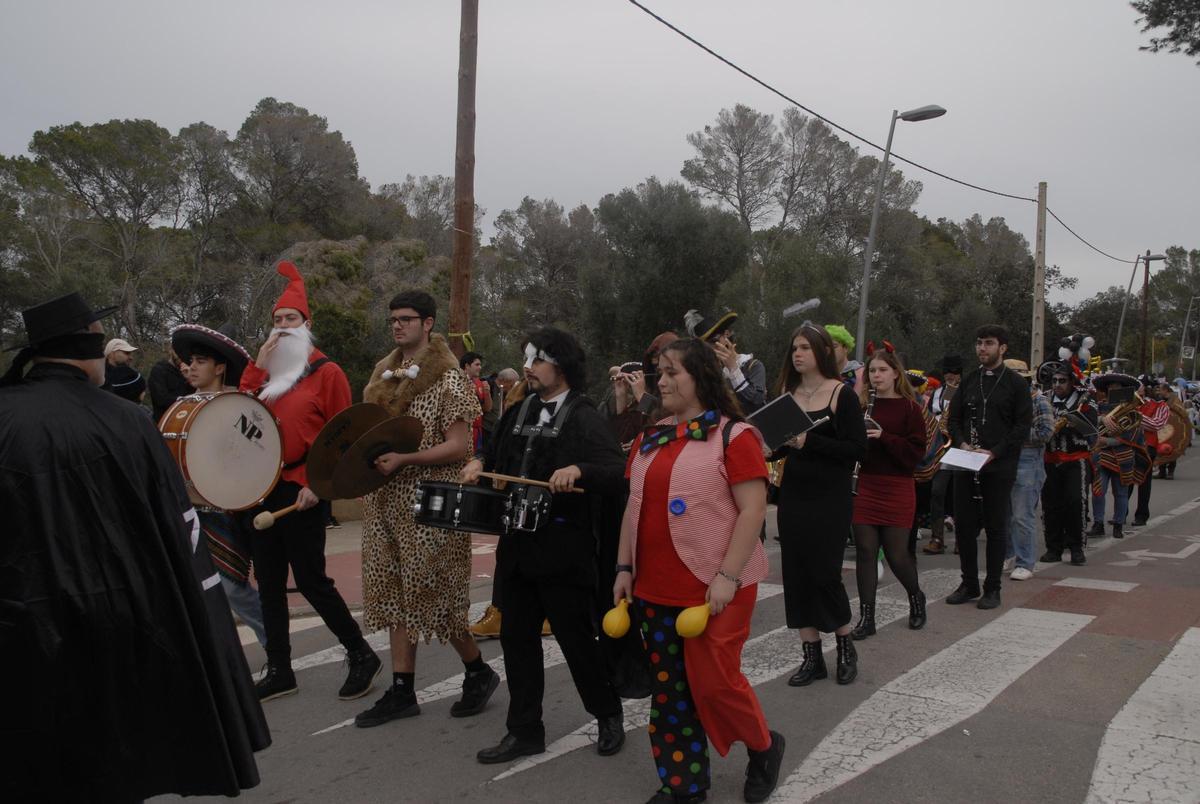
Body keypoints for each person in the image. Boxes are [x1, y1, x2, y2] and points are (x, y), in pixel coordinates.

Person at [0, 292, 269, 799]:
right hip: (123, 622)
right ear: (90, 346)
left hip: (27, 630)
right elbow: (178, 534)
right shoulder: (127, 421)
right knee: (120, 754)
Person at [614, 337, 784, 804]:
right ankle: (684, 785)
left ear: (701, 378)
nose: (662, 382)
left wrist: (727, 576)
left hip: (718, 587)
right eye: (660, 373)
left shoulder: (736, 436)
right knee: (669, 693)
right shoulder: (650, 436)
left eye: (673, 373)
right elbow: (633, 507)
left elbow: (753, 510)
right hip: (654, 586)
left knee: (715, 684)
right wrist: (624, 566)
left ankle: (764, 746)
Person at [463, 327, 626, 764]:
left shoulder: (584, 416)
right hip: (517, 548)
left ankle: (607, 713)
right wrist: (479, 462)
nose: (528, 368)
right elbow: (495, 452)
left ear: (562, 366)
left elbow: (616, 471)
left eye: (537, 361)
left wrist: (579, 470)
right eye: (528, 360)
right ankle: (524, 731)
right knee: (516, 642)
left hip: (563, 551)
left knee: (577, 640)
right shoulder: (521, 409)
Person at [353, 290, 498, 728]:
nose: (398, 326)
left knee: (432, 593)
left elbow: (459, 446)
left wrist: (405, 459)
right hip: (384, 499)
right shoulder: (383, 375)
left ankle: (477, 670)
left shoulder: (448, 378)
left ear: (428, 323)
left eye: (407, 319)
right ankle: (404, 690)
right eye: (394, 319)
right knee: (396, 593)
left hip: (431, 501)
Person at [239, 261, 380, 701]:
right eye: (278, 320)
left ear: (307, 325)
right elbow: (241, 417)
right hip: (263, 487)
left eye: (291, 319)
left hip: (305, 487)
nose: (283, 327)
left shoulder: (327, 373)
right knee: (268, 582)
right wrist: (256, 368)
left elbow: (343, 437)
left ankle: (360, 653)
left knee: (311, 580)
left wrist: (319, 485)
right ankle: (280, 668)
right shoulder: (265, 374)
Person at [773, 322, 867, 687]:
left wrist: (807, 442)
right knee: (796, 573)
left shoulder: (842, 394)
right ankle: (811, 656)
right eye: (794, 348)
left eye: (805, 348)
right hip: (794, 495)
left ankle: (845, 647)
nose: (797, 354)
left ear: (822, 352)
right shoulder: (788, 394)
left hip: (830, 497)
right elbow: (781, 445)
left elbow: (856, 450)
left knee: (825, 573)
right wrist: (769, 447)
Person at [172, 322, 268, 646]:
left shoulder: (237, 405)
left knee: (232, 588)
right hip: (191, 508)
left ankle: (274, 647)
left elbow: (257, 452)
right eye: (190, 361)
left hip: (229, 508)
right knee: (200, 589)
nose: (191, 367)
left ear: (219, 367)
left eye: (200, 361)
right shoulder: (183, 406)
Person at [945, 325, 1032, 610]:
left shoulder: (1016, 384)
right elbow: (953, 420)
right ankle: (969, 583)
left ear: (1002, 348)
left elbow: (1022, 426)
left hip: (999, 465)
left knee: (996, 527)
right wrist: (963, 443)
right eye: (979, 343)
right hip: (967, 462)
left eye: (989, 343)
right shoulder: (970, 380)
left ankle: (992, 587)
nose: (982, 348)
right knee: (964, 526)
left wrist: (994, 452)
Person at [849, 347, 928, 640]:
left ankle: (916, 596)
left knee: (896, 555)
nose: (876, 375)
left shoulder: (910, 408)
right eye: (872, 371)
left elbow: (915, 453)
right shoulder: (861, 406)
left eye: (882, 370)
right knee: (866, 551)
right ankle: (866, 617)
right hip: (866, 485)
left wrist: (884, 437)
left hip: (897, 486)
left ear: (896, 373)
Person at [1040, 361, 1098, 568]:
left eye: (1062, 381)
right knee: (1050, 505)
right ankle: (1053, 548)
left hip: (1076, 459)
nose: (1057, 384)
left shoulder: (1085, 399)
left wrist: (1072, 424)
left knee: (1075, 502)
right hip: (1050, 460)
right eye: (1054, 380)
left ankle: (1076, 548)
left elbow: (1092, 426)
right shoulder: (1044, 398)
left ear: (1072, 382)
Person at [1002, 360, 1055, 573]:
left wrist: (1014, 433)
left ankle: (1025, 562)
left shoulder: (1039, 400)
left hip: (1027, 458)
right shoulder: (1004, 400)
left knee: (1022, 515)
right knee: (1004, 514)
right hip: (1004, 456)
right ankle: (1008, 555)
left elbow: (1046, 432)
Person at [1089, 373, 1150, 540]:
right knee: (1098, 491)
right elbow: (1088, 424)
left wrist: (1108, 440)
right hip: (1101, 455)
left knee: (1121, 493)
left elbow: (1134, 435)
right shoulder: (1099, 407)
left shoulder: (1133, 411)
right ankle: (1098, 523)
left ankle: (1118, 524)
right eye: (1110, 386)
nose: (1112, 389)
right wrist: (1102, 419)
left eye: (1116, 386)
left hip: (1124, 456)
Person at [684, 309, 766, 412]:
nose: (712, 348)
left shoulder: (753, 366)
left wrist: (733, 368)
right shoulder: (710, 374)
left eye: (714, 341)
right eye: (705, 346)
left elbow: (757, 403)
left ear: (726, 335)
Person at [922, 354, 962, 555]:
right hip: (940, 448)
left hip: (960, 446)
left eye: (953, 372)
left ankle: (961, 539)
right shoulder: (937, 392)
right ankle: (937, 538)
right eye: (947, 372)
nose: (949, 375)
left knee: (960, 494)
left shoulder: (966, 390)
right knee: (937, 492)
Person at [1132, 375, 1170, 526]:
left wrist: (1136, 417)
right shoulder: (1131, 402)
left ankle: (1141, 515)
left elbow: (1156, 424)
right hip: (1129, 444)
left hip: (1148, 447)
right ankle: (1120, 514)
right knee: (1124, 480)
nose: (1138, 389)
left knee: (1144, 481)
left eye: (1141, 386)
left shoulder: (1161, 405)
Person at [149, 342, 194, 421]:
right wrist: (185, 401)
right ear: (171, 350)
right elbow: (161, 399)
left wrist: (190, 379)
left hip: (187, 420)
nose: (181, 356)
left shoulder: (190, 371)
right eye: (178, 352)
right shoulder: (159, 370)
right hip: (165, 421)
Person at [460, 350, 493, 454]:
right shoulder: (457, 382)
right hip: (462, 431)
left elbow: (487, 408)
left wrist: (487, 393)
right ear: (467, 366)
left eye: (480, 365)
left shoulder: (479, 382)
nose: (480, 367)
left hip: (477, 432)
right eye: (477, 364)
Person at [825, 323, 865, 395]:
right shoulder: (820, 374)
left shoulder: (861, 373)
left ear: (845, 348)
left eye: (834, 346)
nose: (830, 351)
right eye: (826, 348)